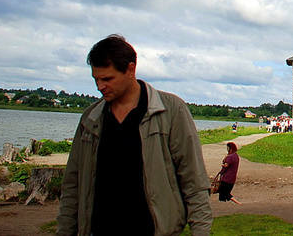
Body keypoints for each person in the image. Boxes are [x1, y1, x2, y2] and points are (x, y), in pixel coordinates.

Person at [57, 34, 212, 236]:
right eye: (96, 79)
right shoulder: (91, 119)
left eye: (108, 79)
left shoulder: (171, 110)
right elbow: (72, 186)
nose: (100, 86)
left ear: (130, 69)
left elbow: (194, 180)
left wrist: (200, 232)